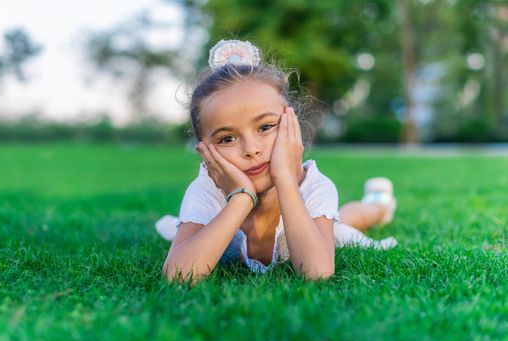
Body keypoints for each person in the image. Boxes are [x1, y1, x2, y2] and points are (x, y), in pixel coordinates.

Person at [159, 39, 397, 283]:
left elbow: (317, 273)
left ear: (291, 124)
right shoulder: (206, 191)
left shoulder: (314, 186)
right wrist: (241, 198)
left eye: (265, 127)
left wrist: (285, 180)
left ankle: (378, 205)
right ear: (204, 151)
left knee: (343, 225)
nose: (251, 149)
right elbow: (179, 276)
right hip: (243, 207)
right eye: (227, 138)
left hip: (310, 228)